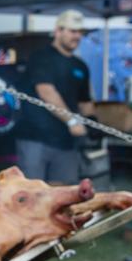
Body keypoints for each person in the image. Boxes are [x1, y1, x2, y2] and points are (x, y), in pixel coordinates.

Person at [12, 9, 94, 184]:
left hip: (66, 143)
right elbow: (46, 91)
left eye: (80, 32)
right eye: (72, 31)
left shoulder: (81, 66)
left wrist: (91, 123)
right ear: (58, 31)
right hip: (35, 139)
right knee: (32, 195)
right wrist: (72, 121)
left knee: (66, 197)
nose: (77, 36)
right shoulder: (41, 58)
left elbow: (85, 101)